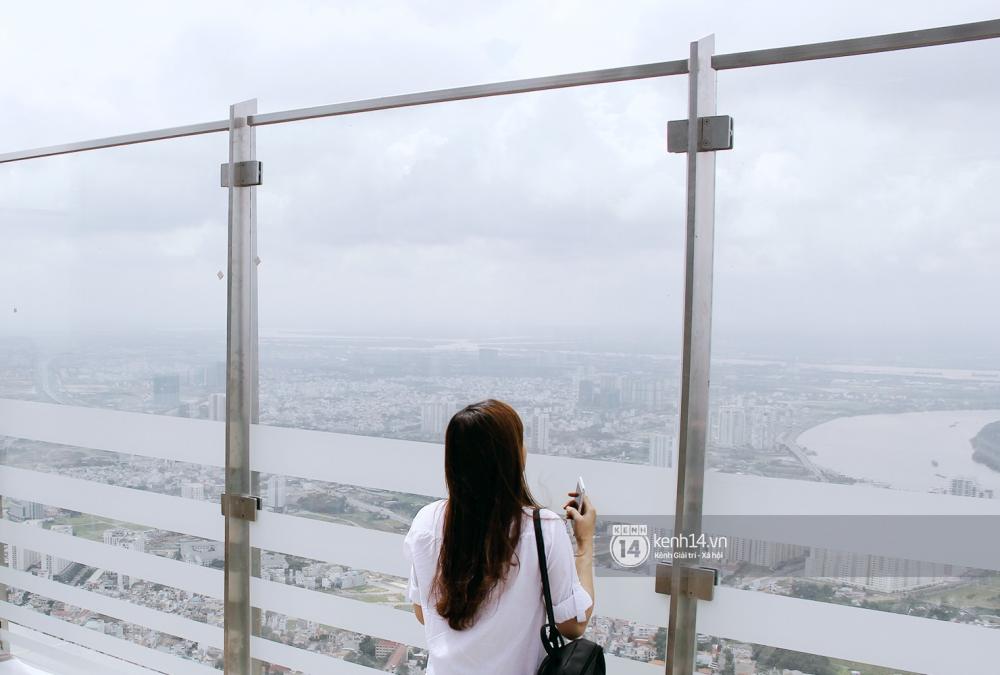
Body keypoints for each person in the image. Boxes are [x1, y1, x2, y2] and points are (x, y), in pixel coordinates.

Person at [403, 399, 596, 674]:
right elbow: (573, 625)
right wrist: (584, 544)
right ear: (511, 457)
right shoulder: (542, 529)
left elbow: (424, 613)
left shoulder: (426, 522)